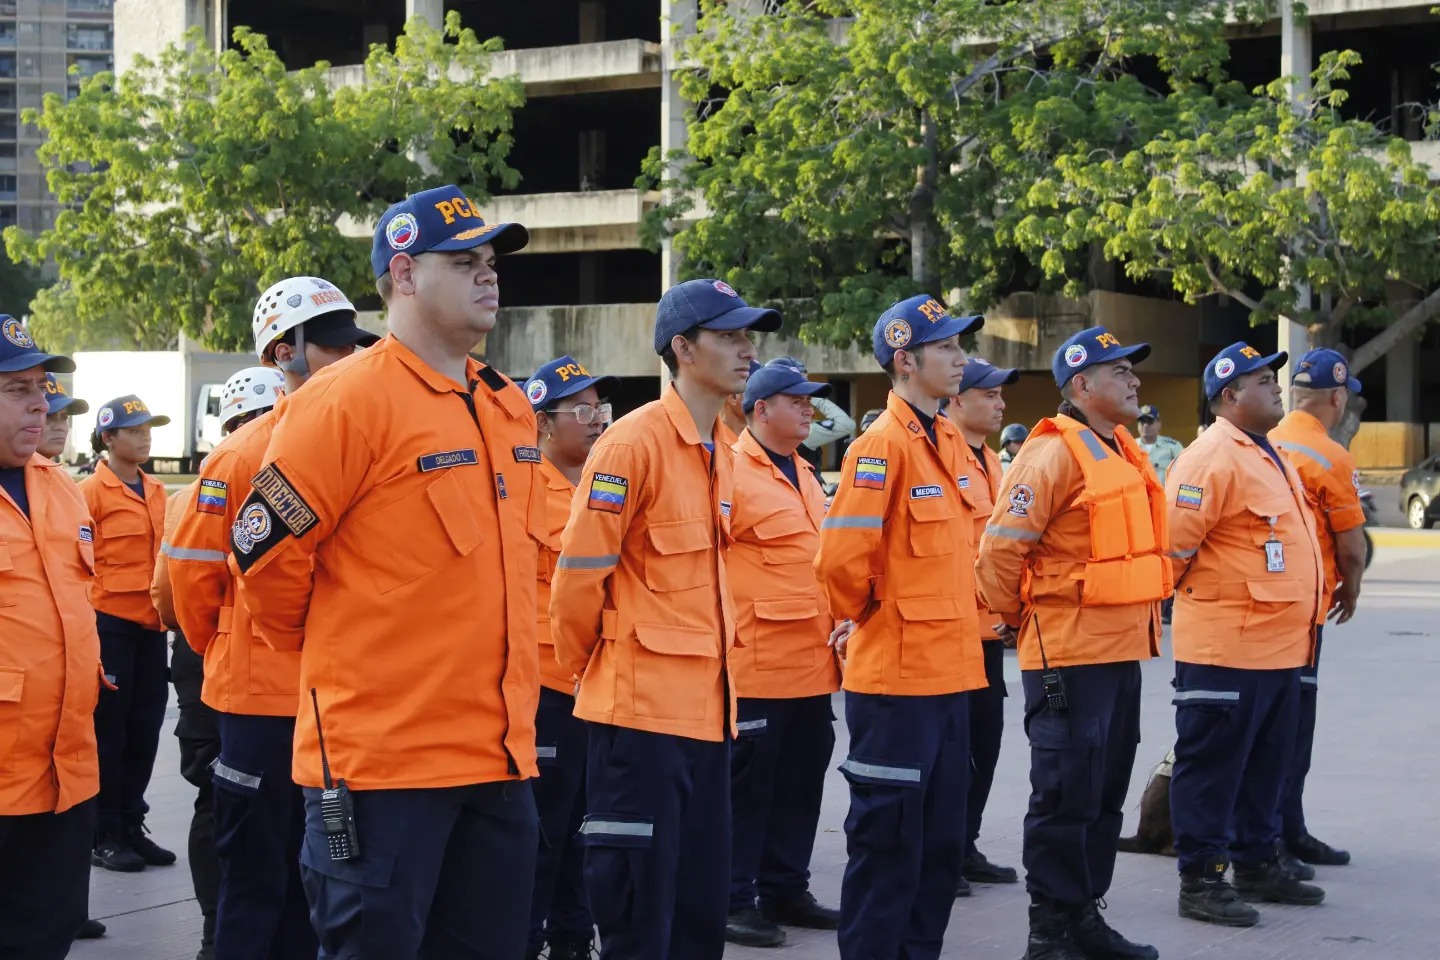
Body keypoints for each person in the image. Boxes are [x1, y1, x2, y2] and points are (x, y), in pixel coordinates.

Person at [234, 185, 541, 960]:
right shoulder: (342, 402)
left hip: (499, 759)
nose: (487, 276)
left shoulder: (507, 406)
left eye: (492, 262)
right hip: (381, 771)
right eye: (464, 260)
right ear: (403, 276)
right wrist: (346, 659)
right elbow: (264, 560)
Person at [551, 277, 779, 960]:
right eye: (730, 336)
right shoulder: (632, 445)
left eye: (749, 335)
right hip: (640, 723)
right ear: (683, 348)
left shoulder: (719, 453)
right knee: (638, 913)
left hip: (708, 717)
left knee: (698, 912)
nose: (747, 350)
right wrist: (599, 677)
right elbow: (577, 582)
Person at [172, 318, 369, 960]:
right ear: (285, 353)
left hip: (337, 702)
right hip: (259, 706)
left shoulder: (361, 436)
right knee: (255, 879)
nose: (350, 355)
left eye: (352, 344)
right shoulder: (241, 454)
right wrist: (235, 651)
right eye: (335, 344)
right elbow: (192, 586)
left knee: (319, 877)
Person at [976, 326, 1168, 960]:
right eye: (1121, 372)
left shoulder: (1122, 450)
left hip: (1118, 653)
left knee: (1104, 796)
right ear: (1082, 385)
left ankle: (1084, 915)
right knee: (1063, 795)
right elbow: (1000, 551)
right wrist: (1012, 620)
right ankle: (1049, 930)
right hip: (1067, 655)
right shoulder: (1053, 454)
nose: (1135, 381)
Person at [814, 294, 986, 960]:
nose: (961, 358)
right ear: (906, 359)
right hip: (895, 688)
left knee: (941, 852)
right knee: (888, 851)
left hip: (950, 680)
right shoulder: (880, 448)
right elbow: (839, 564)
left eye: (960, 345)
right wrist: (871, 620)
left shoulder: (947, 440)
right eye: (947, 348)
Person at [1166, 341, 1325, 927]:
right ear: (1229, 397)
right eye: (1263, 380)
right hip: (1226, 648)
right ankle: (1202, 881)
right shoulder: (1211, 457)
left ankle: (1258, 862)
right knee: (1212, 771)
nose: (1276, 387)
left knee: (1266, 766)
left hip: (1279, 650)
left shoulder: (1266, 453)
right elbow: (1173, 550)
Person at [724, 358, 842, 948]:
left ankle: (785, 887)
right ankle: (733, 897)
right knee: (749, 788)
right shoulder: (729, 470)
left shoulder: (805, 470)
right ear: (761, 409)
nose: (809, 409)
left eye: (810, 401)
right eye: (797, 400)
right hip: (757, 663)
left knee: (801, 782)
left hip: (812, 661)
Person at [0, 326, 103, 960]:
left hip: (66, 773)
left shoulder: (60, 486)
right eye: (17, 390)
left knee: (46, 934)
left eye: (41, 388)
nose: (42, 403)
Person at [522, 354, 618, 960]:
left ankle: (574, 940)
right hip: (543, 688)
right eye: (581, 411)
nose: (597, 421)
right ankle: (527, 938)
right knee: (541, 831)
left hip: (596, 686)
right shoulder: (520, 491)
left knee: (587, 827)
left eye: (600, 409)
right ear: (541, 423)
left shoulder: (601, 486)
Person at [1268, 348, 1366, 869]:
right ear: (1337, 397)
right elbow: (1350, 546)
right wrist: (1350, 590)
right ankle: (1284, 833)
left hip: (1257, 609)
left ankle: (1280, 830)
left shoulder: (1262, 442)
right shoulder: (1331, 456)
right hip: (1303, 612)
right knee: (1293, 730)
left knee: (1266, 730)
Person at [79, 393, 176, 872]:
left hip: (152, 626)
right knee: (109, 733)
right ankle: (105, 832)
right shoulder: (89, 493)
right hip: (109, 627)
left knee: (145, 730)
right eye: (134, 429)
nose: (145, 436)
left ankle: (132, 825)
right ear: (108, 437)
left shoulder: (157, 491)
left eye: (148, 428)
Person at [947, 357, 1021, 895]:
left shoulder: (994, 461)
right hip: (950, 634)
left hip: (989, 634)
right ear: (957, 400)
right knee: (951, 755)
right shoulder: (941, 454)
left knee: (985, 747)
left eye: (1000, 395)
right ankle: (942, 853)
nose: (999, 403)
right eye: (988, 394)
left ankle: (964, 844)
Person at [154, 479, 222, 960]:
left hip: (203, 655)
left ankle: (216, 932)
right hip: (242, 661)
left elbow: (167, 595)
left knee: (213, 794)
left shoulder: (191, 494)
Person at [768, 356, 855, 470]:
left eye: (808, 399)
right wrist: (814, 396)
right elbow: (846, 424)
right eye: (796, 400)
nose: (810, 411)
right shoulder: (800, 430)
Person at [1135, 405, 1185, 486]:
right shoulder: (1129, 446)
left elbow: (1184, 472)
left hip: (1164, 496)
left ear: (1159, 424)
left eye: (1149, 421)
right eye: (1142, 422)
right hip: (1139, 496)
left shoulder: (1172, 447)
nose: (1145, 425)